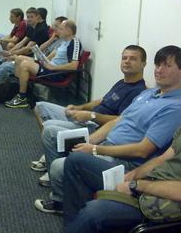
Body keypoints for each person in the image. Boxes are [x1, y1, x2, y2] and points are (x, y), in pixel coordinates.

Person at [0, 69, 181, 233]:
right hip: (147, 186)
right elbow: (162, 159)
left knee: (95, 212)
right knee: (76, 161)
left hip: (169, 207)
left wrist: (137, 185)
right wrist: (132, 175)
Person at [35, 46, 181, 216]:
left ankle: (63, 201)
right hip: (106, 144)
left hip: (125, 162)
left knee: (59, 166)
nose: (159, 70)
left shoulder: (176, 108)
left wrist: (96, 149)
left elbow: (142, 150)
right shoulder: (149, 94)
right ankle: (64, 192)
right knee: (50, 134)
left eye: (167, 66)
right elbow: (119, 120)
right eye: (158, 65)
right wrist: (91, 141)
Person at [30, 45, 147, 185]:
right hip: (87, 118)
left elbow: (120, 120)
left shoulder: (139, 92)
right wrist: (79, 107)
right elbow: (102, 100)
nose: (127, 61)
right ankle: (53, 154)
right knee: (40, 107)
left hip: (96, 128)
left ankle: (55, 172)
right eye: (124, 58)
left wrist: (91, 116)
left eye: (133, 59)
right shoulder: (122, 82)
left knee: (49, 127)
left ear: (143, 64)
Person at [4, 19, 82, 109]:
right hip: (49, 66)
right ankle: (21, 89)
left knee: (25, 65)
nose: (58, 31)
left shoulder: (74, 43)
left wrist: (53, 67)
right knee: (19, 58)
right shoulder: (64, 41)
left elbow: (74, 66)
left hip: (56, 73)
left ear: (68, 31)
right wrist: (43, 59)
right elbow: (54, 55)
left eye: (61, 29)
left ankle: (22, 98)